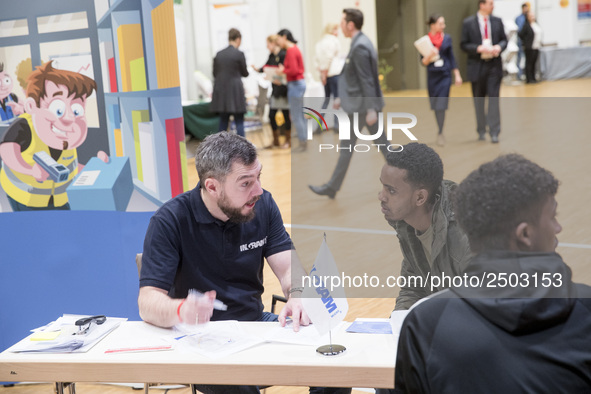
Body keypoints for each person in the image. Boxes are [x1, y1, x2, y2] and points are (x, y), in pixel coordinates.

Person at [138, 132, 350, 394]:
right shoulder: (170, 221)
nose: (258, 190)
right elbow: (147, 303)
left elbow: (287, 266)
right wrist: (180, 310)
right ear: (212, 186)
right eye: (246, 183)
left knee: (335, 361)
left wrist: (296, 294)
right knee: (239, 382)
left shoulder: (263, 205)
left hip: (254, 324)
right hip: (200, 337)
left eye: (258, 177)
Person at [394, 154, 591, 393]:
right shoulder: (585, 310)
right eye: (553, 217)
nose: (558, 228)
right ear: (525, 235)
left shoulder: (424, 324)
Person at [0, 61, 108, 211]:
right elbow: (7, 151)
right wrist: (29, 170)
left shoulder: (67, 138)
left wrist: (96, 167)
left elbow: (72, 168)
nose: (70, 118)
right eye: (58, 109)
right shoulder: (25, 125)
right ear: (32, 106)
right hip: (24, 197)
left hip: (58, 199)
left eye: (77, 110)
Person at [378, 143, 471, 310]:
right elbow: (413, 290)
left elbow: (486, 310)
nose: (381, 196)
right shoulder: (407, 225)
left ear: (420, 197)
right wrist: (399, 323)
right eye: (382, 187)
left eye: (391, 191)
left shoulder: (466, 237)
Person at [309, 8, 387, 199]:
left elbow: (366, 80)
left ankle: (413, 184)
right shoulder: (360, 42)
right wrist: (340, 98)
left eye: (343, 22)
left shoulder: (360, 46)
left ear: (350, 25)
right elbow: (354, 79)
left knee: (379, 147)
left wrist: (370, 109)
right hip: (360, 106)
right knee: (378, 146)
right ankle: (332, 186)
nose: (341, 26)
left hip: (362, 109)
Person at [460, 0, 507, 143]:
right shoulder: (468, 23)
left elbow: (504, 40)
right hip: (477, 65)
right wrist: (478, 48)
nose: (493, 6)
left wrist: (499, 47)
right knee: (478, 100)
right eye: (490, 3)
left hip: (494, 65)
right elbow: (463, 44)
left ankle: (494, 131)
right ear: (482, 5)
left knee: (493, 99)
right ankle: (481, 129)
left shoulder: (497, 21)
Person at [420, 14, 462, 146]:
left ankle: (440, 131)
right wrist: (430, 55)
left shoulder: (447, 39)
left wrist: (457, 74)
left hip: (445, 75)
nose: (443, 26)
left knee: (442, 104)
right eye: (440, 24)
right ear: (432, 25)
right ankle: (439, 128)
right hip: (433, 76)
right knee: (435, 105)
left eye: (443, 24)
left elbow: (451, 57)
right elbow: (422, 62)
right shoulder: (424, 41)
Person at [252, 35, 291, 148]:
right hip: (275, 89)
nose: (267, 46)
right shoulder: (271, 56)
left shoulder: (283, 55)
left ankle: (288, 140)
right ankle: (276, 140)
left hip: (283, 89)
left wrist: (277, 76)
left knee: (285, 114)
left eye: (268, 44)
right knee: (271, 114)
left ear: (274, 43)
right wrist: (257, 69)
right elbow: (266, 67)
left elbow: (285, 71)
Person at [210, 28, 249, 137]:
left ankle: (219, 149)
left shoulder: (218, 54)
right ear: (238, 39)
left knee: (223, 121)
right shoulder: (239, 54)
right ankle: (243, 148)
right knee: (239, 121)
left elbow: (214, 73)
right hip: (236, 92)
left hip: (222, 92)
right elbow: (245, 73)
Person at [276, 29, 307, 152]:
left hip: (295, 84)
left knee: (296, 115)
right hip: (297, 83)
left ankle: (302, 142)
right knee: (299, 114)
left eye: (278, 39)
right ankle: (303, 141)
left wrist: (282, 71)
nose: (278, 42)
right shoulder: (294, 49)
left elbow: (293, 71)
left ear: (284, 37)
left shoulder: (291, 50)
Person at [315, 22, 342, 132]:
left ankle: (319, 126)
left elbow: (316, 60)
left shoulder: (319, 43)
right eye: (336, 30)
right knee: (336, 101)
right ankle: (336, 126)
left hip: (324, 74)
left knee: (326, 100)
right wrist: (325, 73)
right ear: (332, 30)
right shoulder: (333, 41)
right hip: (333, 74)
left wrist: (322, 74)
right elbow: (329, 58)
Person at [518, 10, 542, 84]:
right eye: (531, 16)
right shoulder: (526, 25)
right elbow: (520, 34)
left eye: (533, 16)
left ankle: (533, 77)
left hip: (536, 46)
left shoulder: (536, 24)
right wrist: (526, 41)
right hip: (529, 47)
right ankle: (529, 78)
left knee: (534, 63)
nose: (533, 17)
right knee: (529, 63)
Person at [515, 2, 529, 81]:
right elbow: (519, 30)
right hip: (520, 41)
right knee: (519, 58)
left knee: (527, 58)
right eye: (525, 8)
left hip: (528, 41)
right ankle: (519, 74)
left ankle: (527, 74)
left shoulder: (529, 17)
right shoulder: (518, 18)